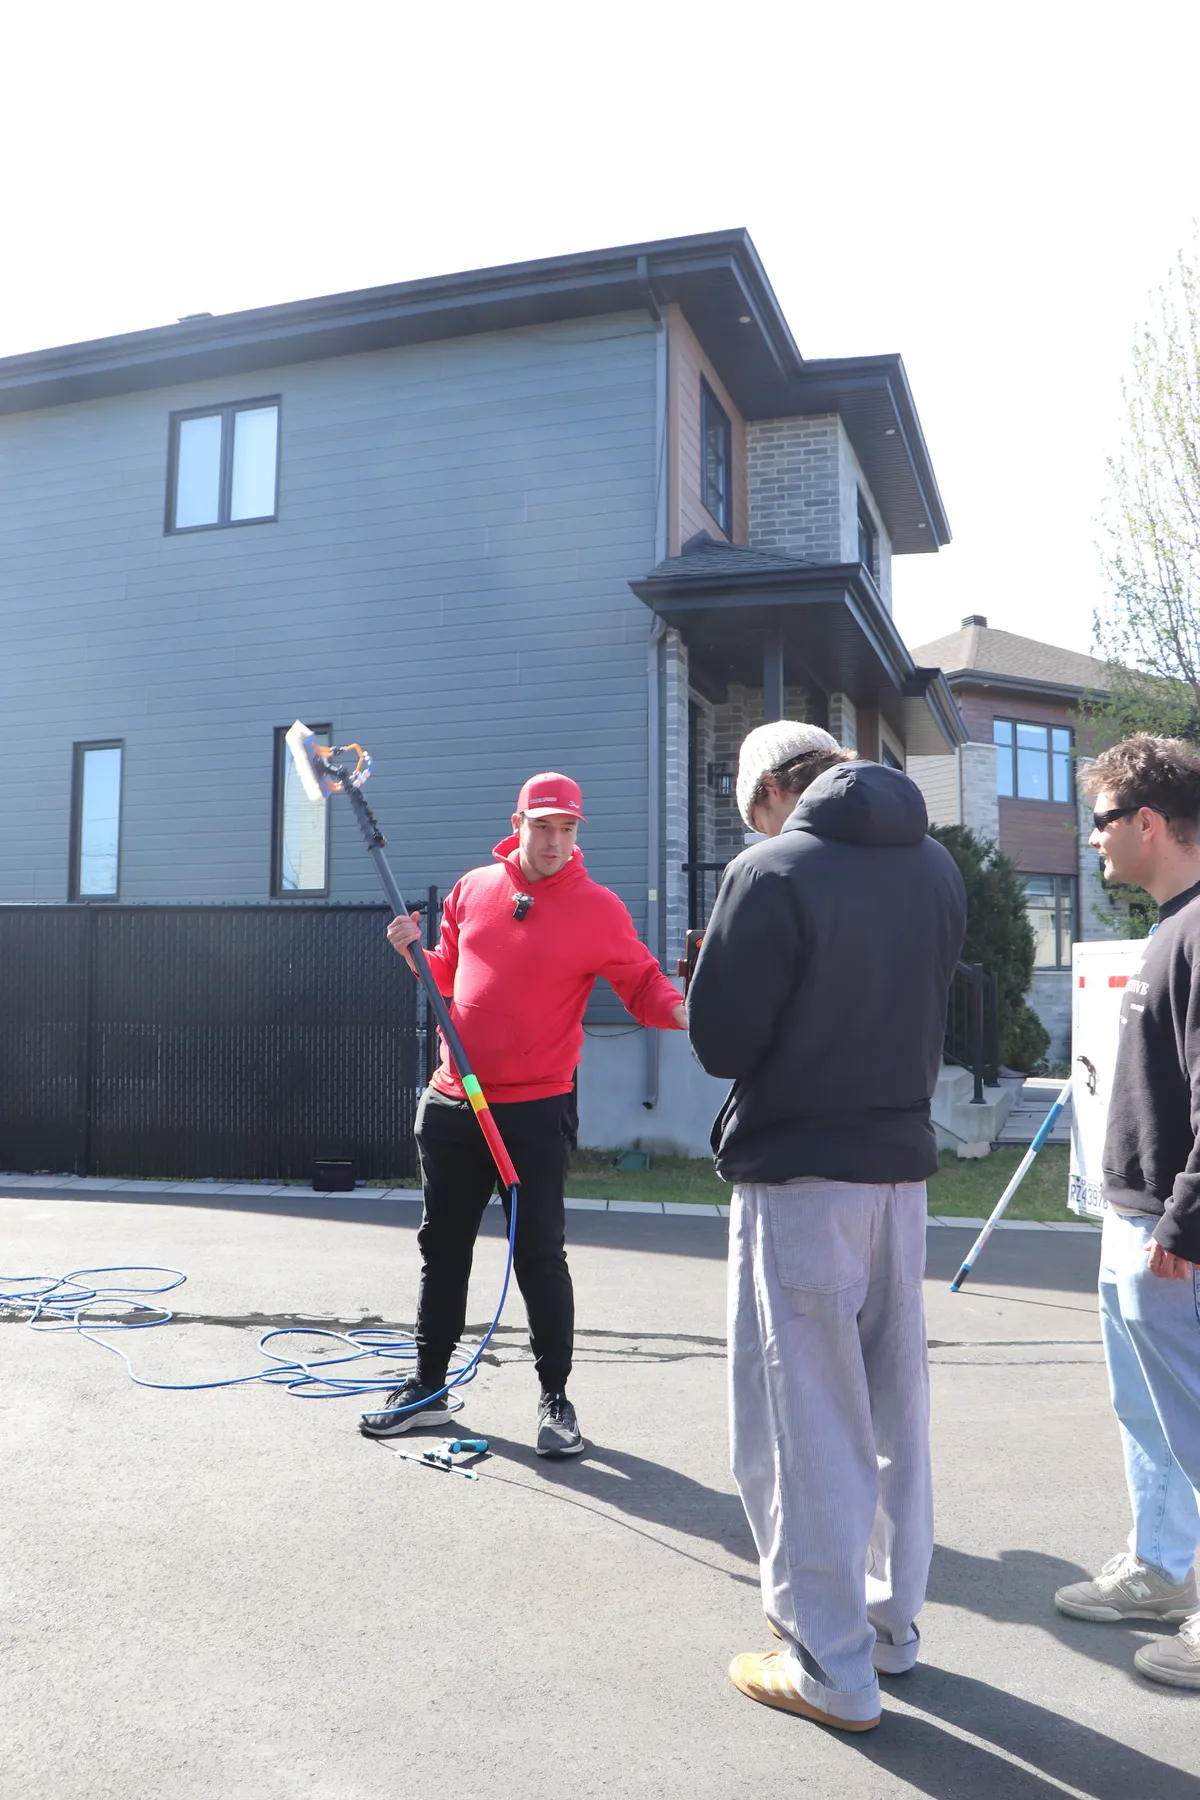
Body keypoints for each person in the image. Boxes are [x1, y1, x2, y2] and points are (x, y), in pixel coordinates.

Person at [687, 720, 966, 1732]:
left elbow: (721, 1039)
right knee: (894, 1411)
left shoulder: (770, 869)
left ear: (768, 790)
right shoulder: (934, 864)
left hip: (801, 1174)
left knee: (805, 1422)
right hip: (901, 1168)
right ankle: (890, 1630)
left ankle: (827, 1666)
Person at [360, 771, 687, 1456]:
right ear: (519, 823)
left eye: (567, 829)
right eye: (543, 827)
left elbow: (642, 984)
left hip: (534, 1109)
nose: (555, 841)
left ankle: (555, 1401)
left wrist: (687, 1013)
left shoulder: (598, 909)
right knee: (441, 1250)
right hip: (455, 1101)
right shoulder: (473, 889)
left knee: (539, 1255)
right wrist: (414, 955)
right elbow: (450, 977)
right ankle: (427, 1390)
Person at [1053, 735, 1200, 1688]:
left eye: (1103, 822)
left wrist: (1185, 1221)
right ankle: (1162, 1569)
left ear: (1147, 822)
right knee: (1150, 1416)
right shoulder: (1170, 924)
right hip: (1134, 1215)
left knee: (1192, 1419)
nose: (1095, 841)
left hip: (1172, 1233)